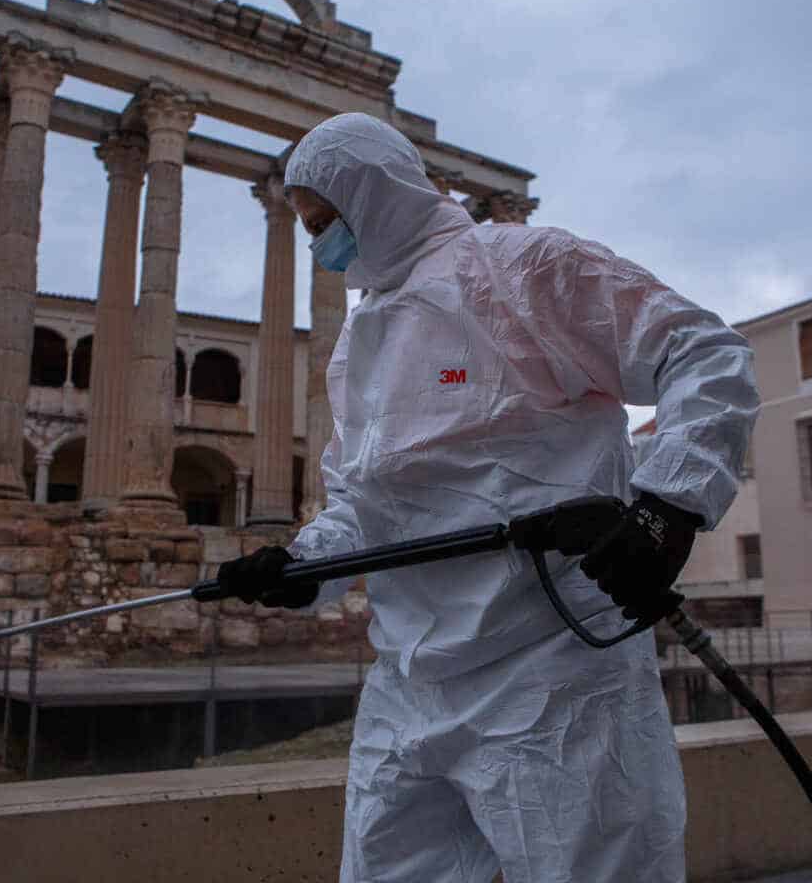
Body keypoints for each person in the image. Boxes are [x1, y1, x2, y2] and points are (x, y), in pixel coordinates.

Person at [218, 112, 759, 882]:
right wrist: (299, 567)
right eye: (307, 228)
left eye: (325, 223)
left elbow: (702, 353)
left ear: (375, 196)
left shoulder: (522, 268)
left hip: (555, 677)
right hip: (409, 685)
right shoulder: (358, 345)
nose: (318, 245)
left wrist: (666, 507)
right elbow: (365, 504)